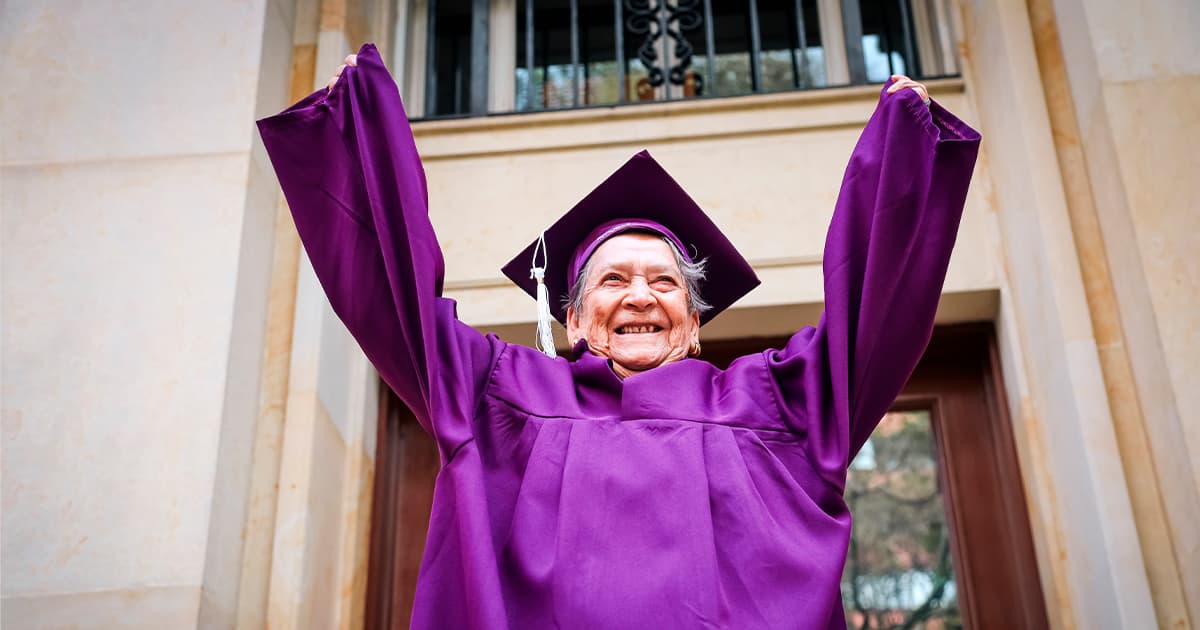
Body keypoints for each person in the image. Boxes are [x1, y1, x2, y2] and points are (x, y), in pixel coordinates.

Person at [258, 43, 980, 630]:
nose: (641, 294)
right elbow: (392, 294)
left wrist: (904, 148)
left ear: (695, 325)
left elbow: (876, 309)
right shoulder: (493, 396)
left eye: (666, 284)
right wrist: (356, 133)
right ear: (572, 320)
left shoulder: (778, 410)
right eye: (612, 281)